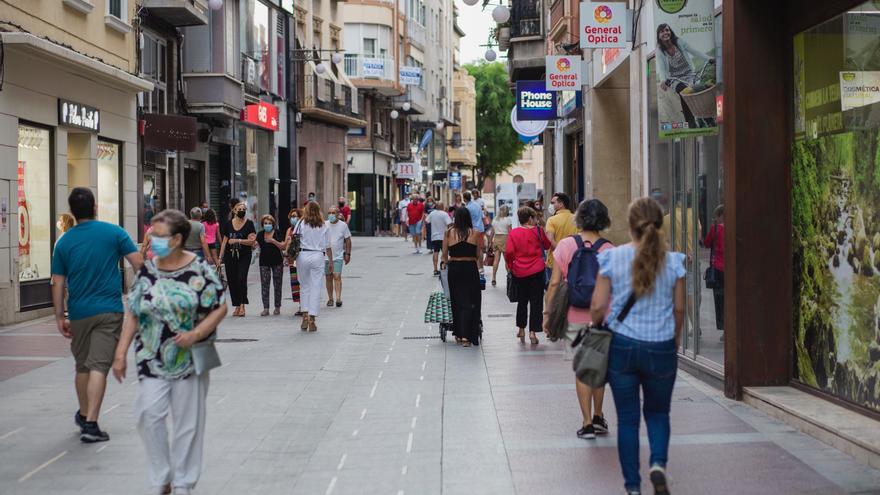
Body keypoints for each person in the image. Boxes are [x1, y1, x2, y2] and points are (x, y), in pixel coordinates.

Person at [111, 209, 226, 495]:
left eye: (158, 235)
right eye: (151, 233)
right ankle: (162, 475)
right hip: (151, 357)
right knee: (148, 414)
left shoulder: (199, 270)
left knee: (188, 424)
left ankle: (184, 482)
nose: (151, 238)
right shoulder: (148, 270)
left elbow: (219, 306)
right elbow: (134, 312)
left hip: (189, 359)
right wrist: (120, 352)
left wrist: (196, 334)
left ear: (176, 239)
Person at [590, 197, 686, 495]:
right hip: (661, 346)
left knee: (628, 420)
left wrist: (596, 326)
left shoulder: (612, 257)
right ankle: (657, 464)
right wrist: (674, 338)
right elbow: (680, 308)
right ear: (659, 224)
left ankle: (633, 487)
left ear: (630, 226)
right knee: (658, 413)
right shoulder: (674, 261)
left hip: (622, 346)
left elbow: (597, 305)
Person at [50, 187, 143, 443]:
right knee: (98, 366)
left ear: (72, 212)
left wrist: (60, 316)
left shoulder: (65, 241)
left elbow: (57, 283)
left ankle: (83, 414)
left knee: (82, 365)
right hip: (109, 310)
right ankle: (91, 423)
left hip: (79, 312)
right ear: (94, 208)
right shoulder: (114, 232)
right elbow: (138, 264)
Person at [544, 199, 614, 440]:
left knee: (582, 369)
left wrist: (548, 314)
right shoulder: (609, 249)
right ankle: (599, 416)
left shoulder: (565, 245)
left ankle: (586, 424)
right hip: (602, 317)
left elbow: (554, 283)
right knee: (597, 368)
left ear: (579, 218)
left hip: (575, 315)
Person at [505, 207, 551, 346]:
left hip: (520, 271)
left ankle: (521, 329)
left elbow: (509, 252)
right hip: (537, 270)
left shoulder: (514, 233)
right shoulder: (538, 231)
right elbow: (548, 245)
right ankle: (533, 332)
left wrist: (512, 265)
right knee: (536, 301)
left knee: (522, 300)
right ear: (530, 218)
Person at [657, 23, 715, 129]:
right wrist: (662, 80)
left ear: (670, 32)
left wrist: (708, 59)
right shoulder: (660, 51)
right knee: (684, 92)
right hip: (674, 79)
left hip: (689, 74)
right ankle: (691, 123)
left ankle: (707, 119)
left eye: (667, 30)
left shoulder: (679, 42)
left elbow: (694, 51)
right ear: (659, 36)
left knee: (698, 90)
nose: (665, 33)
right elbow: (661, 68)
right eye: (662, 31)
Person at [442, 207, 483, 347]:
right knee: (472, 300)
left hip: (454, 269)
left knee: (457, 300)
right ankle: (467, 335)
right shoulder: (476, 233)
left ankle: (459, 334)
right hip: (470, 268)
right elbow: (478, 255)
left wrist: (443, 265)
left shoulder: (448, 233)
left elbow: (444, 254)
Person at [295, 202, 332, 331]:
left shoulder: (301, 223)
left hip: (303, 255)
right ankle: (312, 318)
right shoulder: (324, 225)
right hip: (318, 256)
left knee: (304, 286)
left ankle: (304, 314)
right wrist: (331, 261)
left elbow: (294, 238)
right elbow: (327, 246)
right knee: (316, 286)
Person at [218, 201, 256, 317]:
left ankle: (243, 304)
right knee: (232, 280)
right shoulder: (228, 224)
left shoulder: (249, 224)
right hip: (230, 256)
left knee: (241, 278)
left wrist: (238, 241)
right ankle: (237, 305)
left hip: (244, 256)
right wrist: (220, 258)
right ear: (234, 211)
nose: (242, 211)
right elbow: (224, 242)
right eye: (239, 209)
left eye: (244, 209)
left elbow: (252, 241)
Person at [545, 192, 578, 285]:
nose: (550, 205)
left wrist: (561, 253)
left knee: (555, 291)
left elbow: (550, 240)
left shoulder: (552, 220)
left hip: (555, 261)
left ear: (561, 204)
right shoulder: (576, 219)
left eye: (553, 203)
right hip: (573, 260)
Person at [257, 214, 286, 316]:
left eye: (269, 223)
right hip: (264, 262)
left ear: (273, 224)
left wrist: (273, 241)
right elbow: (256, 246)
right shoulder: (260, 234)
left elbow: (283, 246)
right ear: (262, 224)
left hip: (277, 261)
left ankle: (277, 307)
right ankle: (266, 308)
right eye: (265, 223)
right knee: (265, 285)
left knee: (277, 284)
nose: (267, 225)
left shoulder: (277, 233)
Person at [704, 204, 725, 337]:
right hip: (731, 270)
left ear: (720, 216)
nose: (714, 219)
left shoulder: (715, 229)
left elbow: (706, 243)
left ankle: (724, 328)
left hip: (718, 269)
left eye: (715, 217)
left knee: (719, 300)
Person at [324, 205, 352, 307]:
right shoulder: (324, 224)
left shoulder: (343, 225)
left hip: (338, 256)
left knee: (337, 275)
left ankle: (338, 298)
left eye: (333, 213)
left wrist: (348, 253)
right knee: (328, 277)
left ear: (337, 214)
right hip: (326, 256)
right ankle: (330, 298)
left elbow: (348, 240)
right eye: (329, 213)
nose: (331, 215)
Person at [285, 208, 303, 316]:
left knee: (303, 282)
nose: (293, 218)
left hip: (301, 258)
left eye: (295, 216)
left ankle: (304, 305)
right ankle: (301, 305)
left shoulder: (302, 228)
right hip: (292, 260)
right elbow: (285, 245)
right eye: (291, 216)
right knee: (295, 283)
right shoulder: (289, 230)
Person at [489, 205, 513, 286]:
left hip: (496, 238)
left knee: (496, 260)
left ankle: (493, 278)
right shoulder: (508, 220)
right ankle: (509, 277)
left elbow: (492, 232)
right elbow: (510, 233)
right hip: (505, 239)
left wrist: (490, 242)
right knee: (507, 260)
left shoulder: (495, 219)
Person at [427, 201, 452, 276]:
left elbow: (427, 221)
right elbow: (450, 224)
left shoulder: (432, 213)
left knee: (436, 252)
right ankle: (444, 268)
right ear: (442, 207)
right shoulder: (444, 214)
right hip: (443, 237)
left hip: (434, 236)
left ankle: (435, 269)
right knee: (444, 253)